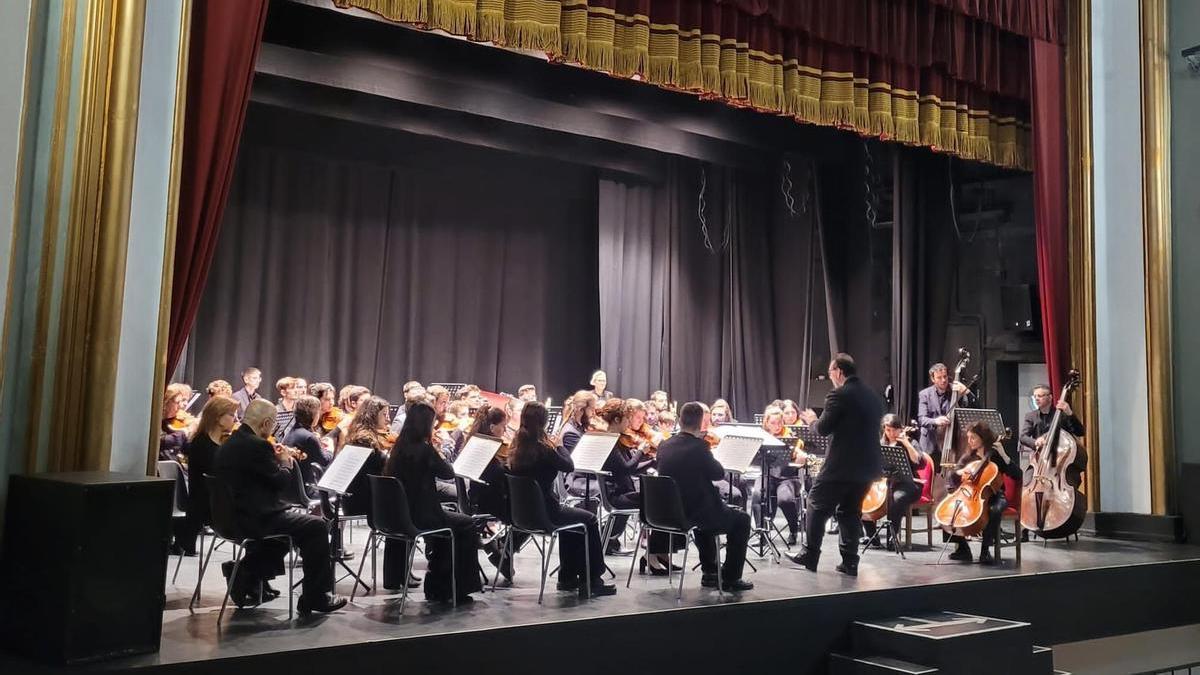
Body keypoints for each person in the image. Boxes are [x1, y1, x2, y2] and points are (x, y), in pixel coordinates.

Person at [212, 399, 346, 615]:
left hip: (230, 517)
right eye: (273, 425)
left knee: (286, 535)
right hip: (255, 518)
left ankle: (245, 574)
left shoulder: (232, 442)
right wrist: (285, 463)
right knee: (317, 526)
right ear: (265, 423)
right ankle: (316, 596)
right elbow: (280, 484)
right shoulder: (257, 445)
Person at [507, 402, 616, 597]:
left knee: (573, 523)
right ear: (544, 422)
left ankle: (567, 577)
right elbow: (569, 465)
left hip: (523, 514)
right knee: (589, 519)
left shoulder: (516, 447)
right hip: (547, 512)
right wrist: (559, 446)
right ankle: (592, 580)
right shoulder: (543, 449)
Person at [788, 353, 884, 576]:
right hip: (867, 466)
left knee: (816, 504)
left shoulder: (838, 395)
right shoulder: (872, 396)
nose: (830, 377)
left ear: (839, 371)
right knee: (850, 511)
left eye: (831, 372)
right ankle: (850, 561)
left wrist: (812, 420)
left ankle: (809, 553)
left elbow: (823, 429)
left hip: (841, 465)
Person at [382, 403, 482, 603]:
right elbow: (447, 473)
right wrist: (441, 448)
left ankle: (437, 585)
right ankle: (453, 588)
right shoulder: (424, 450)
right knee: (466, 524)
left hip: (399, 515)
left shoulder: (399, 448)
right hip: (421, 516)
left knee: (451, 525)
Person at [655, 402, 754, 591]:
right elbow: (717, 473)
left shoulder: (664, 445)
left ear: (680, 420)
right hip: (694, 512)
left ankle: (710, 573)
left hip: (670, 513)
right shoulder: (698, 447)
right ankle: (731, 577)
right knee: (741, 520)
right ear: (701, 422)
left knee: (703, 520)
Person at [172, 395, 238, 556]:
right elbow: (219, 477)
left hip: (207, 503)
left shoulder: (214, 443)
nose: (235, 418)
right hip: (210, 505)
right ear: (217, 417)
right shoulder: (202, 445)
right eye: (231, 414)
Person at [946, 421, 1020, 565]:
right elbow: (952, 474)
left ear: (982, 437)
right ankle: (962, 548)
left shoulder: (996, 455)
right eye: (968, 437)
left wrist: (1004, 454)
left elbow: (1017, 474)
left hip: (995, 494)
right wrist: (960, 472)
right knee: (952, 507)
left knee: (994, 509)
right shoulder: (969, 456)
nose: (970, 441)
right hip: (972, 494)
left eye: (973, 437)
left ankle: (985, 550)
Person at [862, 415, 929, 551]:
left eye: (894, 430)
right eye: (888, 430)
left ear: (900, 429)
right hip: (886, 482)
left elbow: (919, 462)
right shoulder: (881, 444)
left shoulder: (911, 442)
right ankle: (872, 535)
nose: (891, 434)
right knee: (860, 497)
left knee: (896, 498)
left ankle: (892, 537)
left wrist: (906, 444)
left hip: (909, 484)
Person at [755, 406, 803, 545]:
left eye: (779, 422)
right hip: (767, 475)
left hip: (788, 478)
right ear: (766, 423)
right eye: (773, 423)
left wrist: (800, 456)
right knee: (758, 495)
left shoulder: (791, 436)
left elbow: (800, 455)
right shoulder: (761, 436)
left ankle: (793, 530)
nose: (777, 426)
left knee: (785, 499)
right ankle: (761, 533)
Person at [340, 396, 391, 517]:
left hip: (357, 496)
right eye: (384, 414)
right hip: (362, 500)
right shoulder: (364, 440)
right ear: (373, 415)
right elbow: (382, 465)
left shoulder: (359, 433)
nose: (388, 419)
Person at [917, 363, 975, 465]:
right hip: (931, 442)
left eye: (945, 376)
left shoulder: (956, 390)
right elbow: (922, 419)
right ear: (933, 379)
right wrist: (935, 421)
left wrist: (967, 392)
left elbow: (973, 406)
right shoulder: (924, 394)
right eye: (939, 378)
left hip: (951, 441)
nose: (943, 380)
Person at [283, 395, 331, 493]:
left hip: (288, 489)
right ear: (313, 414)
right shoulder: (309, 437)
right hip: (305, 490)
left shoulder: (291, 432)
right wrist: (330, 447)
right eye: (319, 411)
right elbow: (325, 461)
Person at [1019, 384, 1085, 453]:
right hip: (1040, 456)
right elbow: (1023, 437)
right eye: (1035, 396)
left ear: (1050, 397)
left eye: (1040, 396)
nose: (1036, 399)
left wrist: (1070, 413)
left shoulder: (1061, 414)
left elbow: (1080, 432)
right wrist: (1036, 442)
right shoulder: (1031, 416)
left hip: (1061, 455)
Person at [159, 383, 195, 461]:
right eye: (182, 400)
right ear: (167, 401)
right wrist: (184, 433)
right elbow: (159, 442)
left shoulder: (179, 422)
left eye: (187, 400)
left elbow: (187, 449)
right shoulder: (156, 420)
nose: (185, 404)